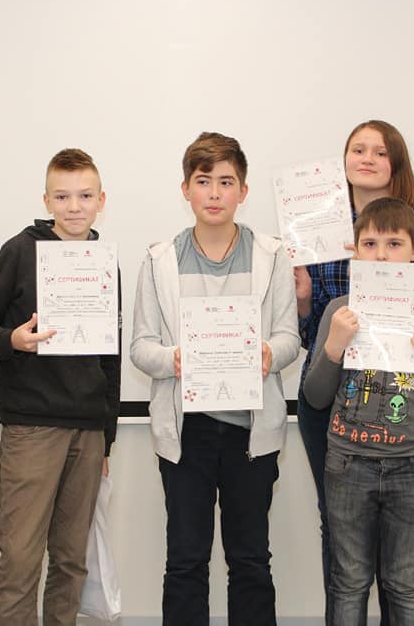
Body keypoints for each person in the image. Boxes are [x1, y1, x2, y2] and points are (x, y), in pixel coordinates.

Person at [131, 131, 299, 625]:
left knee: (250, 560)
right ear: (186, 189)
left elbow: (289, 337)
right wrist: (175, 360)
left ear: (243, 191)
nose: (214, 193)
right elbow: (141, 347)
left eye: (226, 182)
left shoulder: (272, 255)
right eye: (203, 181)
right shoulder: (160, 259)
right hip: (187, 433)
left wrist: (268, 353)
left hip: (252, 431)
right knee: (186, 562)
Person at [293, 120, 414, 619]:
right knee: (342, 545)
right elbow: (313, 333)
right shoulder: (320, 232)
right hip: (334, 404)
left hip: (402, 413)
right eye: (357, 149)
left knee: (403, 573)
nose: (366, 158)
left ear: (395, 164)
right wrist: (305, 301)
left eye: (379, 152)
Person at [0, 148, 120, 626]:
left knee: (71, 560)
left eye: (85, 196)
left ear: (102, 200)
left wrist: (108, 438)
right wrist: (12, 340)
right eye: (62, 196)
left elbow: (110, 359)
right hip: (32, 427)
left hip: (89, 431)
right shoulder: (19, 251)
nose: (74, 206)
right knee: (20, 557)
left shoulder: (104, 262)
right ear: (46, 200)